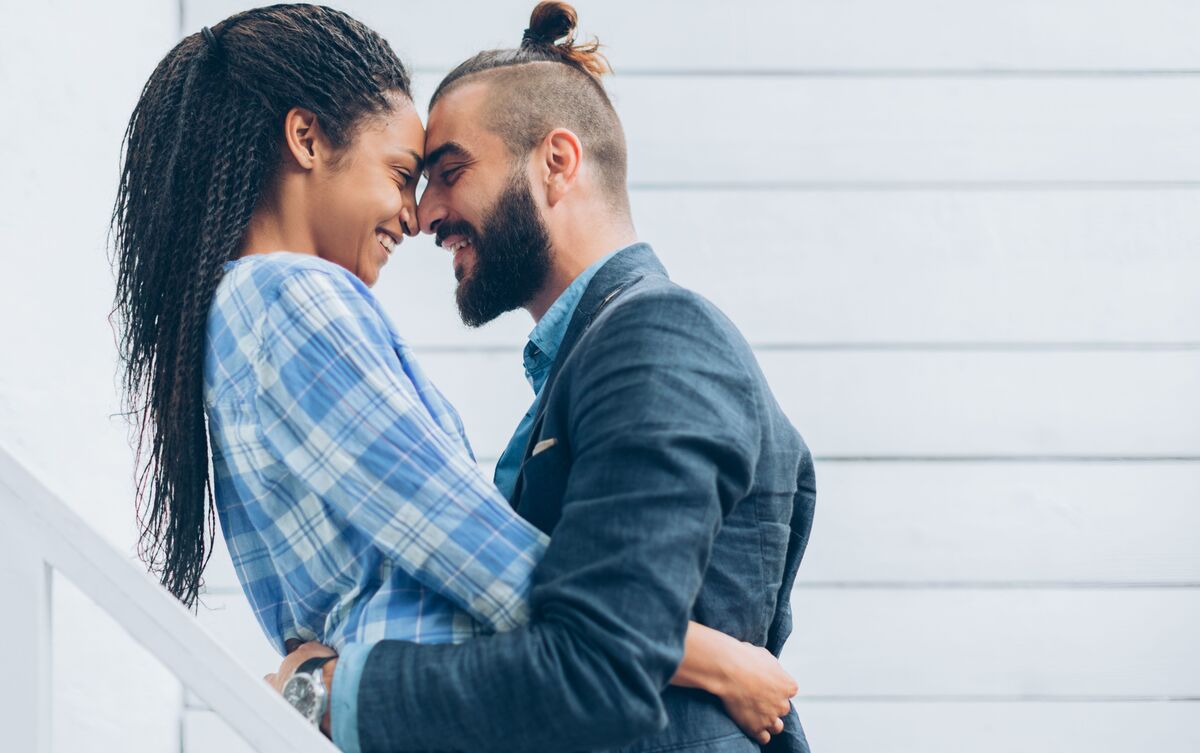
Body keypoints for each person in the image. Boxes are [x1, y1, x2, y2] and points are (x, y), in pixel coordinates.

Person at [109, 2, 800, 748]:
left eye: (445, 173)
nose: (420, 213)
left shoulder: (654, 338)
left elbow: (548, 611)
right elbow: (474, 549)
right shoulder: (290, 297)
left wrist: (318, 690)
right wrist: (711, 657)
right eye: (407, 174)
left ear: (558, 163)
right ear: (305, 138)